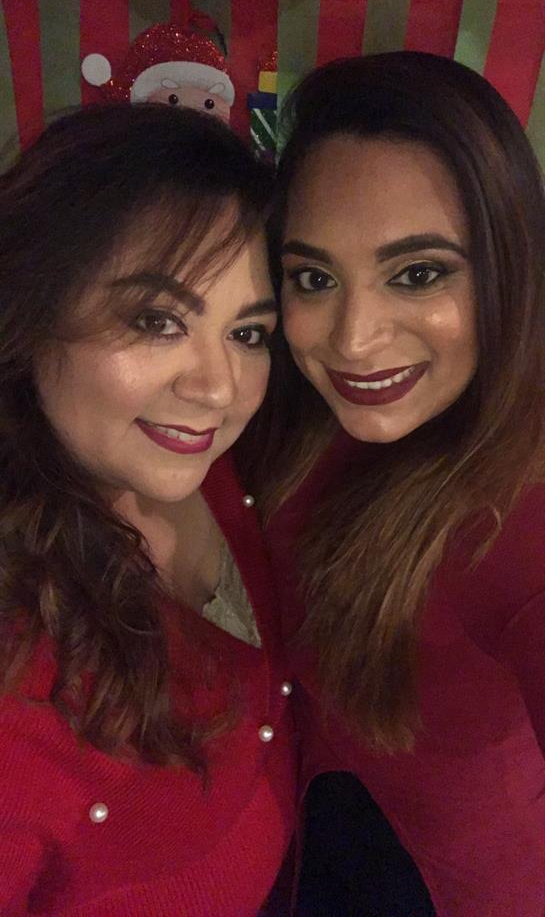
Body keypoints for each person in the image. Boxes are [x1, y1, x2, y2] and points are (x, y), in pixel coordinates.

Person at [243, 51, 545, 915]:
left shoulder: (521, 514)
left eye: (417, 273)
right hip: (303, 823)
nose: (352, 340)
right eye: (314, 278)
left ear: (508, 268)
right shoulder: (281, 404)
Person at [0, 102, 296, 915]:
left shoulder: (215, 470)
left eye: (248, 334)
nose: (218, 388)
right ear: (30, 313)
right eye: (156, 320)